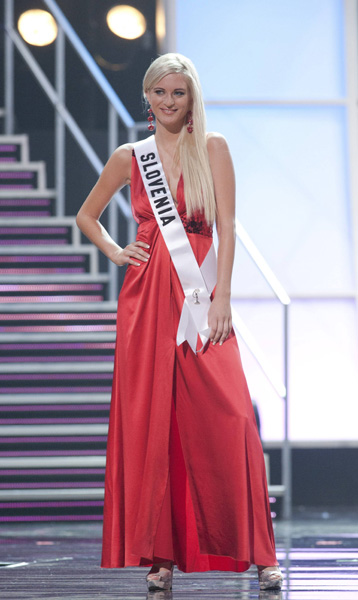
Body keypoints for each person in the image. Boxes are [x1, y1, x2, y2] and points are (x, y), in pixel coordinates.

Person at [76, 53, 283, 592]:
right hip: (146, 300)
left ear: (193, 98)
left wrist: (223, 298)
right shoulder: (130, 157)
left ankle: (262, 555)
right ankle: (159, 559)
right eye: (160, 93)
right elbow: (87, 215)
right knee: (154, 423)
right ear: (147, 96)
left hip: (201, 296)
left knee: (234, 416)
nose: (169, 102)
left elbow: (230, 226)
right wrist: (117, 251)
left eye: (179, 93)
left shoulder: (212, 149)